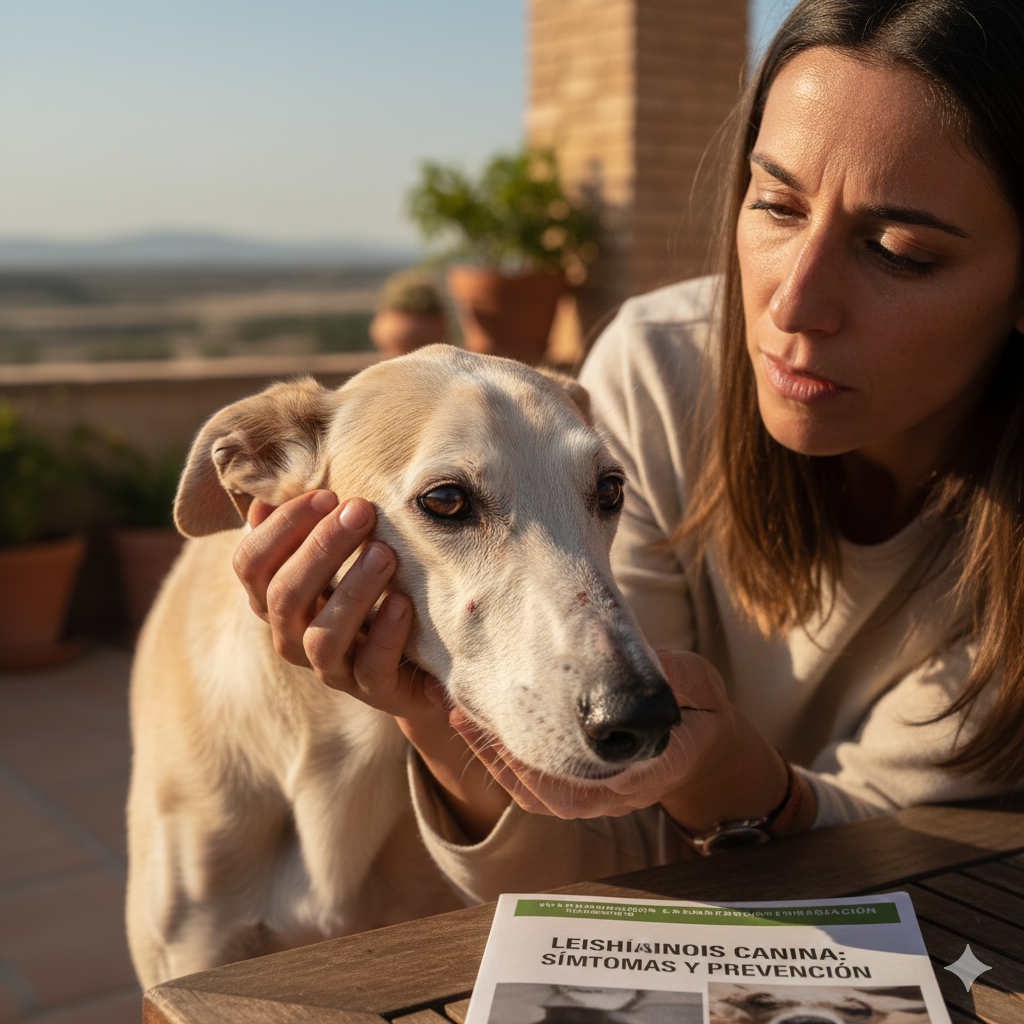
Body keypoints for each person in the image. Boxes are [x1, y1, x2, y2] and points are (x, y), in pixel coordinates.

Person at [233, 0, 1024, 900]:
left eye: (897, 249)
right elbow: (605, 856)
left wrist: (724, 773)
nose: (793, 304)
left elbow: (920, 862)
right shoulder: (656, 375)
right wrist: (438, 718)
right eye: (774, 205)